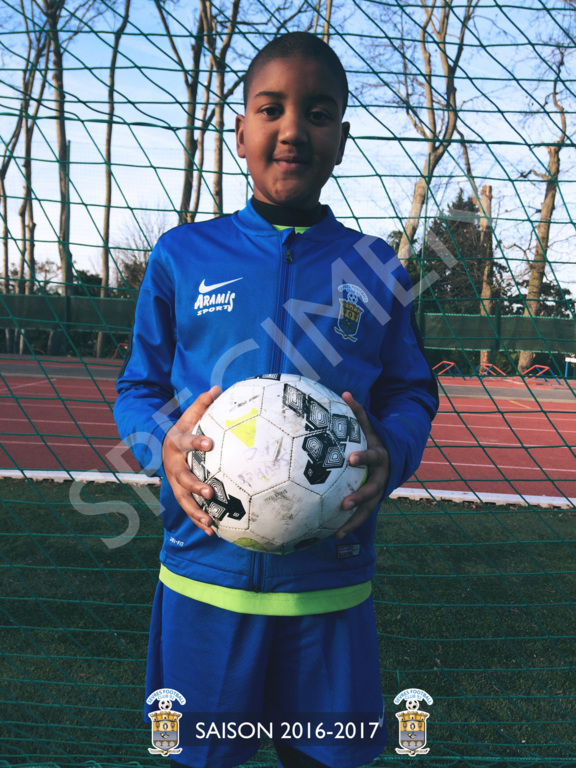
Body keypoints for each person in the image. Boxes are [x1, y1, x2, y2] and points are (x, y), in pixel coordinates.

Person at [114, 31, 438, 768]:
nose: (293, 129)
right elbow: (140, 387)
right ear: (240, 133)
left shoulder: (376, 268)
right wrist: (162, 448)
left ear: (342, 141)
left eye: (318, 114)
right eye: (271, 109)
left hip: (329, 584)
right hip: (203, 578)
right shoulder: (182, 255)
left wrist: (393, 450)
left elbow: (410, 388)